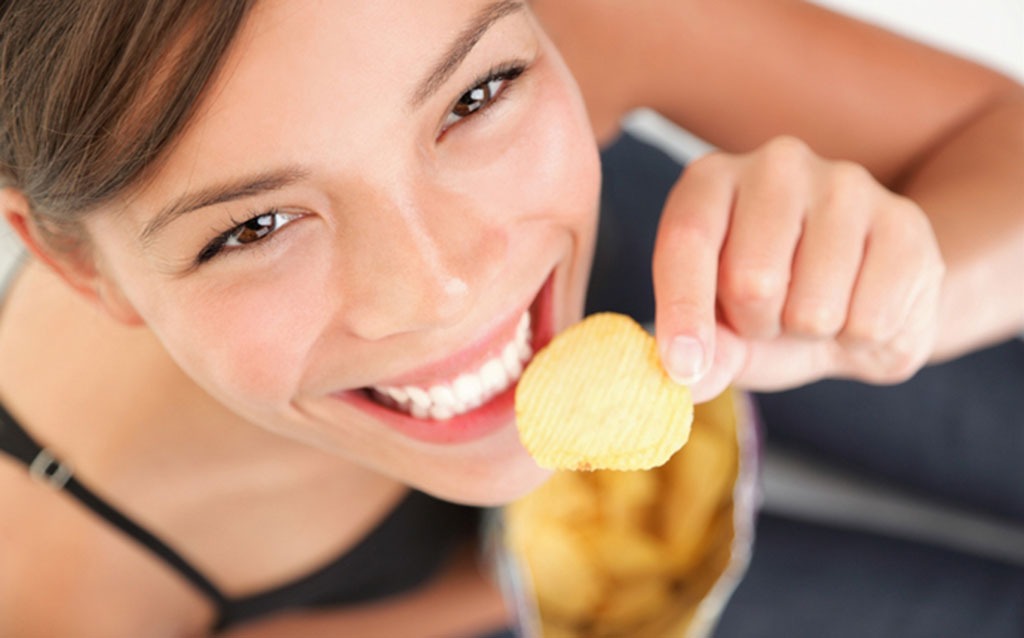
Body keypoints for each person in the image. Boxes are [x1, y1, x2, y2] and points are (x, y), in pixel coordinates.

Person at [0, 1, 1020, 636]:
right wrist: (560, 578)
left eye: (476, 95)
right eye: (256, 225)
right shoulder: (57, 586)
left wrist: (915, 296)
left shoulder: (567, 15)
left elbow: (999, 140)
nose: (438, 292)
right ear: (80, 263)